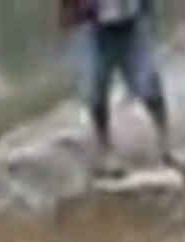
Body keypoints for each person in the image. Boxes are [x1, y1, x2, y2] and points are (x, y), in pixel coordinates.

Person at [60, 0, 174, 178]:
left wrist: (149, 13)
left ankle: (166, 142)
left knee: (149, 80)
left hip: (130, 20)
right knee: (95, 85)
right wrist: (71, 16)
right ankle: (105, 148)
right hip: (92, 25)